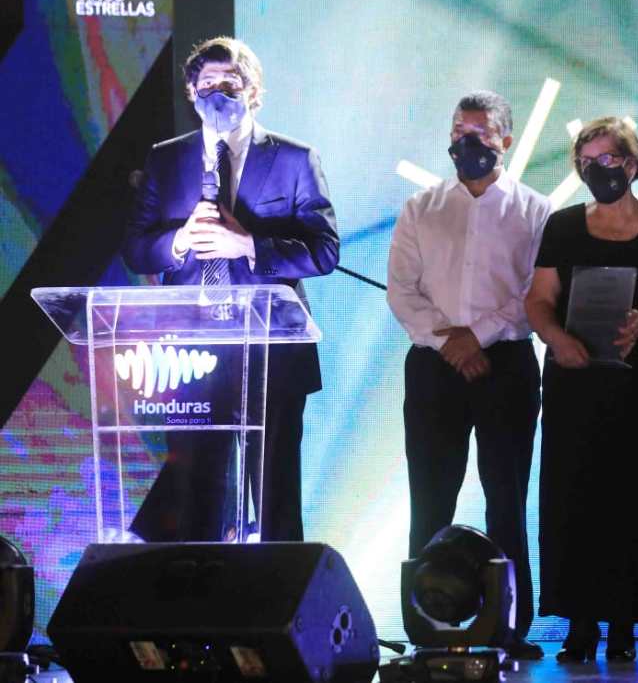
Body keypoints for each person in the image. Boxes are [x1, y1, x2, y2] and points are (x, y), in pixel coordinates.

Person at [122, 37, 339, 542]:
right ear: (191, 93)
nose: (217, 93)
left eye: (230, 83)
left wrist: (249, 245)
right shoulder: (166, 160)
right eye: (206, 84)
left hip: (272, 351)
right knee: (195, 495)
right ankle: (195, 584)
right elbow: (136, 249)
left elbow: (325, 251)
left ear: (253, 91)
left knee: (275, 496)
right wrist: (179, 241)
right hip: (192, 352)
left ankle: (279, 588)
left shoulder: (295, 159)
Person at [527, 117, 638, 662]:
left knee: (634, 504)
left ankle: (623, 627)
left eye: (607, 159)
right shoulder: (562, 227)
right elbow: (538, 300)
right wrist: (556, 338)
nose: (597, 170)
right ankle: (579, 626)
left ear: (631, 163)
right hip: (574, 385)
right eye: (587, 162)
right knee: (572, 502)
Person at [386, 90, 551, 660]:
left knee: (506, 498)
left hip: (505, 366)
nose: (466, 144)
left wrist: (475, 337)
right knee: (430, 497)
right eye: (459, 133)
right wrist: (450, 343)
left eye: (478, 134)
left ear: (505, 139)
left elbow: (535, 293)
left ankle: (511, 627)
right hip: (434, 367)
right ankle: (425, 626)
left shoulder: (535, 210)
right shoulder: (421, 208)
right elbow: (402, 291)